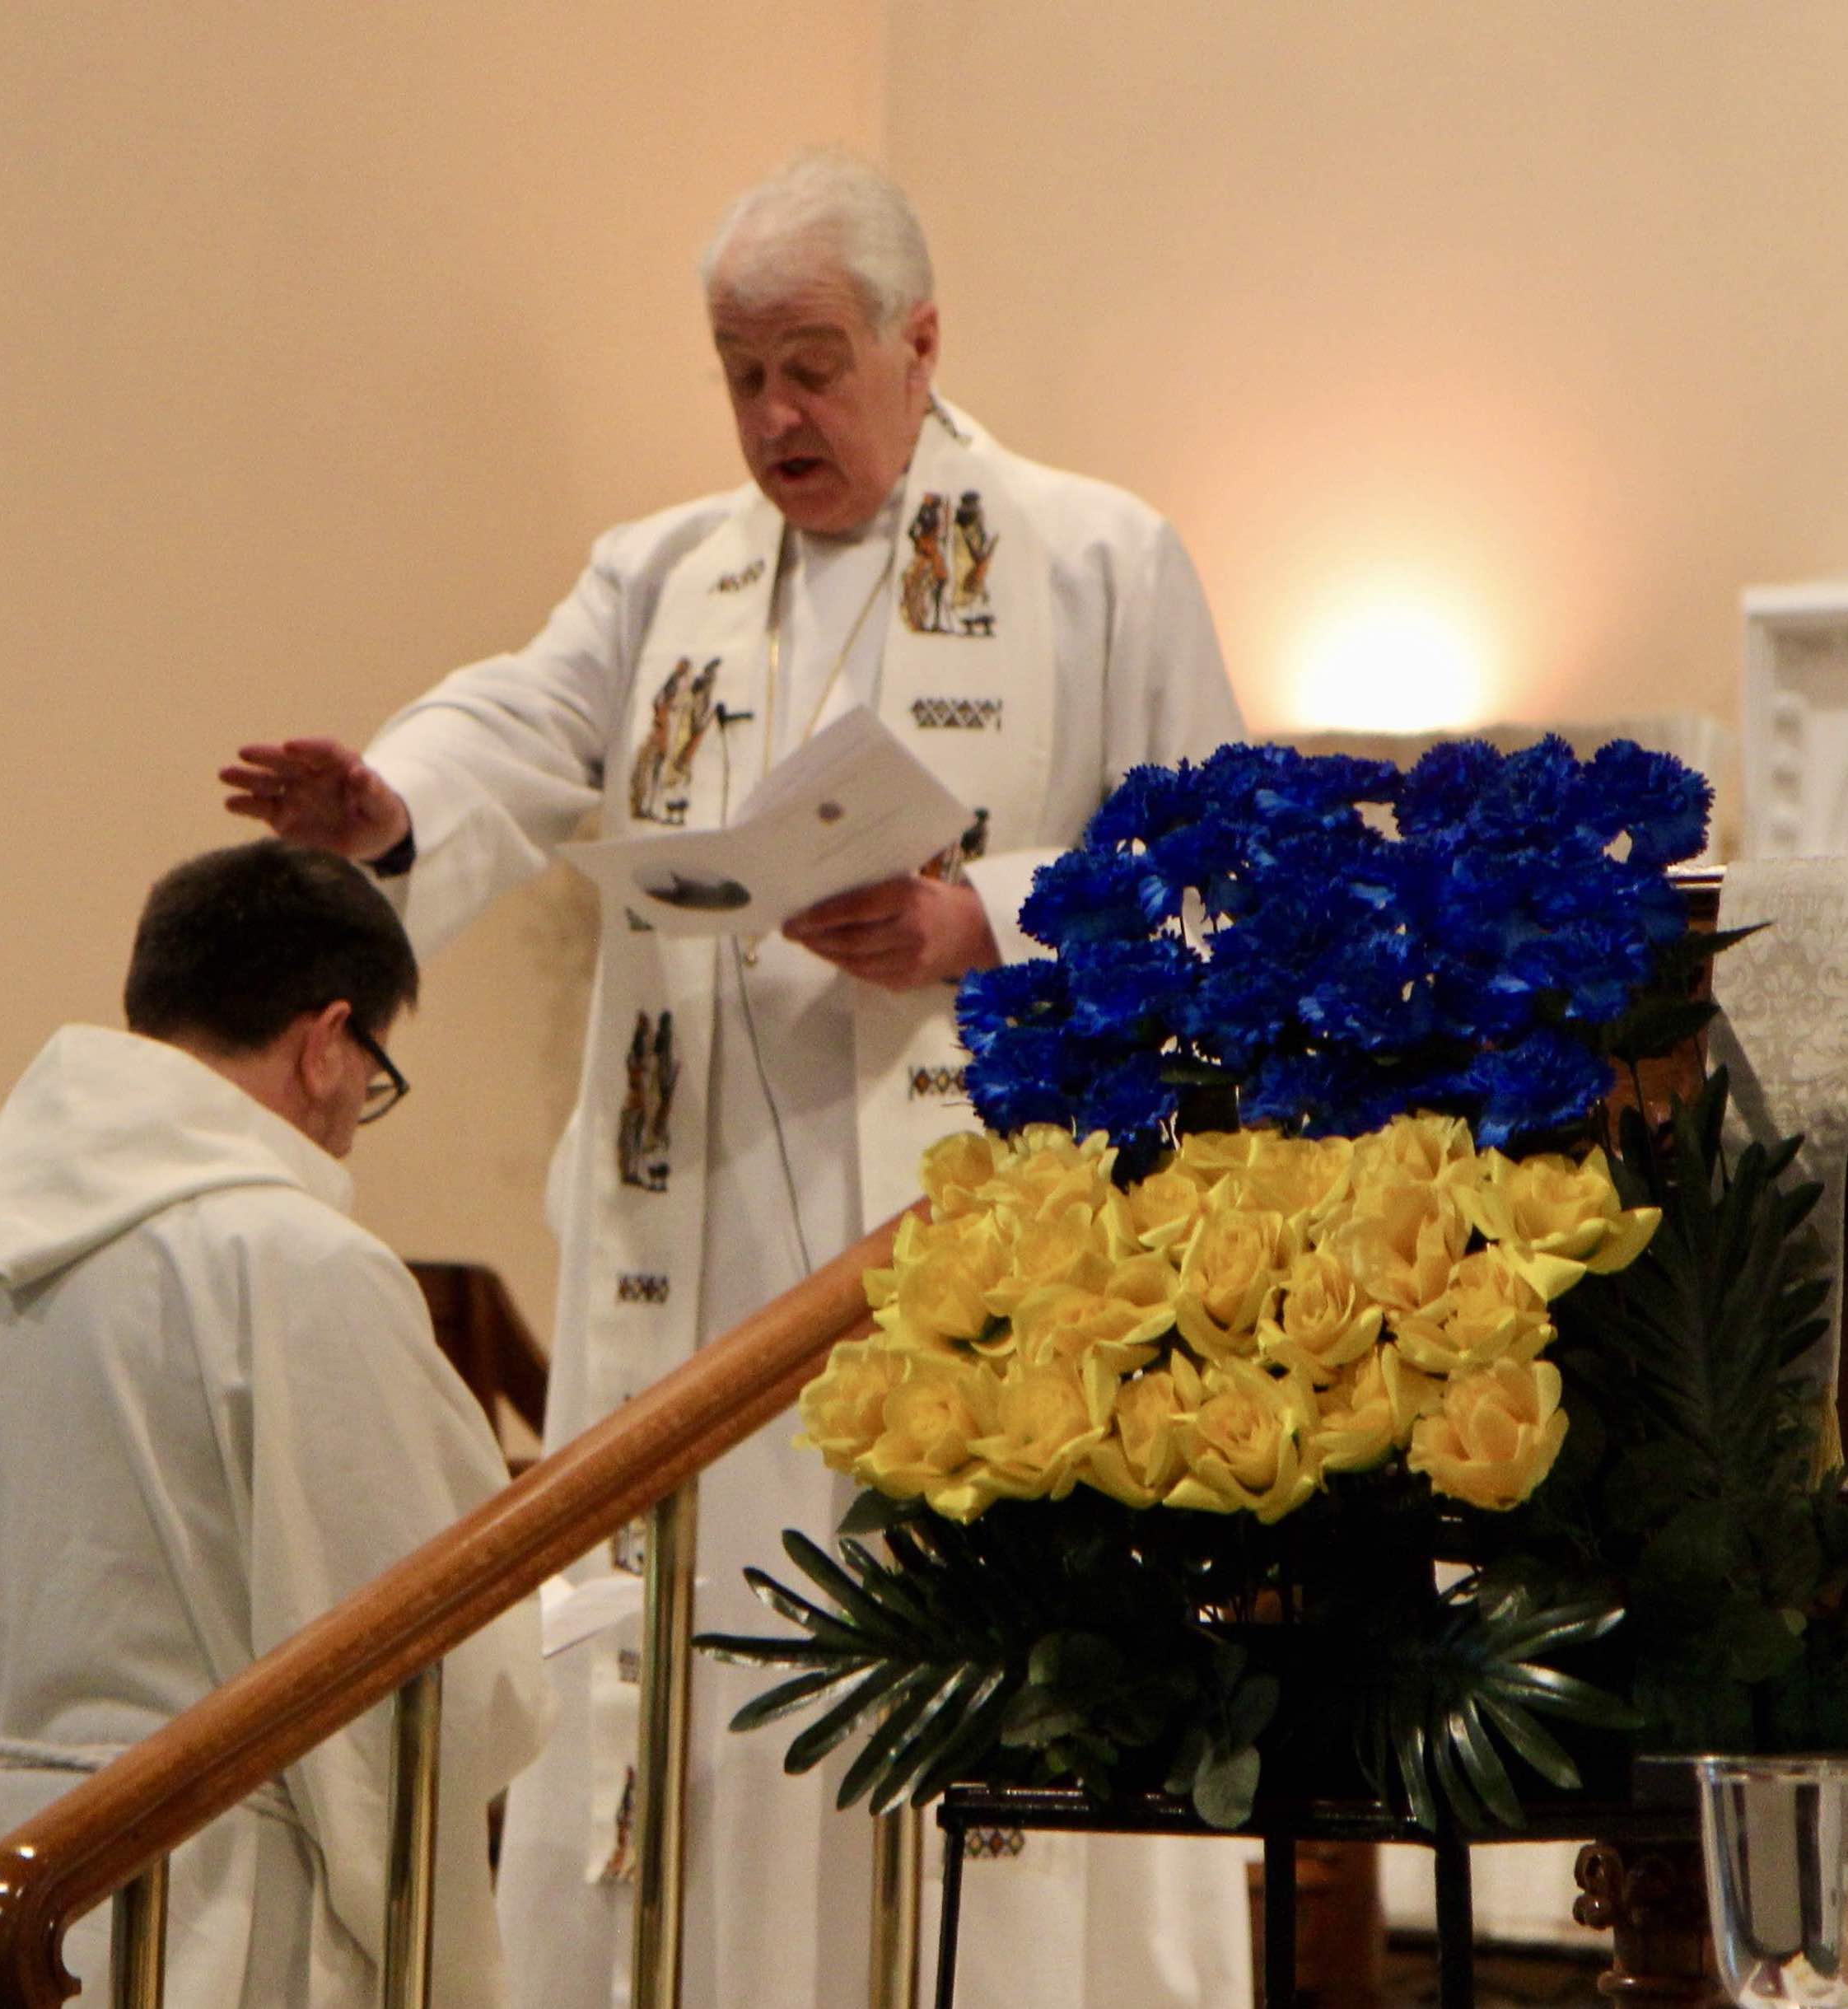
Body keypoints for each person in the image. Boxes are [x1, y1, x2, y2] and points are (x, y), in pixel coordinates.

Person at [220, 150, 1253, 2008]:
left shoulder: (1098, 558)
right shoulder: (661, 576)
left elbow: (1216, 881)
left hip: (958, 1297)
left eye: (809, 364)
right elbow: (514, 724)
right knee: (683, 1709)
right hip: (695, 1284)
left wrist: (980, 920)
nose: (774, 415)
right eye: (738, 373)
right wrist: (389, 806)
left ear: (919, 341)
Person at [0, 839, 548, 2009]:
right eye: (372, 1079)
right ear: (328, 1042)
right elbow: (423, 1663)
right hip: (183, 1913)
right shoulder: (295, 1261)